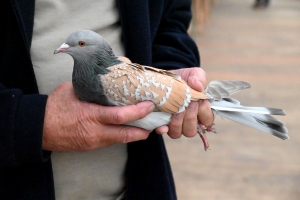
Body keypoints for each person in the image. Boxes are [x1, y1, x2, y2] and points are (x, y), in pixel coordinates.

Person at [0, 0, 214, 199]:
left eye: (79, 44)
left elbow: (171, 17)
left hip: (134, 184)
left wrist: (166, 72)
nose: (63, 48)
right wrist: (25, 122)